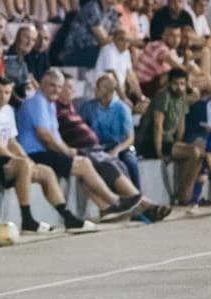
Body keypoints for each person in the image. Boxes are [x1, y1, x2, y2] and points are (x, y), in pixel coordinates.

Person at [0, 77, 92, 234]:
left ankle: (67, 217)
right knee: (24, 165)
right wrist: (22, 162)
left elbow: (12, 142)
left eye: (7, 93)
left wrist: (26, 159)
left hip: (4, 160)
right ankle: (27, 219)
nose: (3, 96)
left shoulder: (7, 110)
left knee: (45, 171)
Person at [17, 69, 138, 221]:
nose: (56, 90)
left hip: (46, 152)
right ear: (42, 84)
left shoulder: (50, 104)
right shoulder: (37, 102)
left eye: (59, 87)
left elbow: (55, 136)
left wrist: (68, 150)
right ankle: (115, 201)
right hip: (34, 154)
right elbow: (45, 135)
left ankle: (108, 207)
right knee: (84, 164)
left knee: (86, 164)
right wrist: (66, 151)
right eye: (52, 85)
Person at [136, 68, 205, 205]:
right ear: (168, 83)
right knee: (193, 152)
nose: (178, 87)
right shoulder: (163, 95)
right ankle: (183, 195)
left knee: (200, 151)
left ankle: (185, 194)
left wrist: (178, 144)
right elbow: (157, 125)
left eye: (182, 84)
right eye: (175, 83)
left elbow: (181, 126)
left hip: (168, 142)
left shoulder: (182, 97)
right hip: (150, 142)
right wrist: (159, 152)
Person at [81, 74, 144, 189]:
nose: (95, 90)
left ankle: (138, 195)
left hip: (120, 146)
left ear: (109, 91)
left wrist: (116, 150)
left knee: (131, 162)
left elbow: (130, 138)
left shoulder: (122, 108)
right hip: (98, 148)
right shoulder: (88, 107)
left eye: (99, 87)